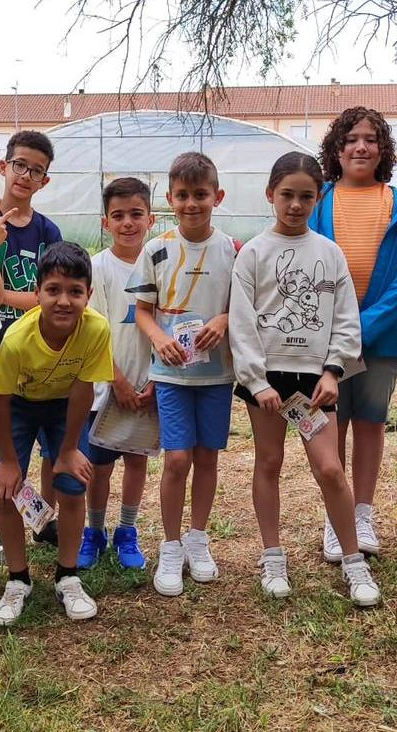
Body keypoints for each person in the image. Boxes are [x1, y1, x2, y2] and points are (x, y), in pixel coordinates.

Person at [228, 152, 379, 606]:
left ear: (318, 199)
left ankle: (354, 562)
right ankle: (272, 558)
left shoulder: (329, 253)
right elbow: (241, 323)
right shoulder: (253, 253)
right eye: (287, 195)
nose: (295, 205)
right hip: (267, 383)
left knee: (329, 468)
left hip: (314, 385)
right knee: (269, 462)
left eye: (306, 196)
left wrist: (334, 371)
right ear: (270, 194)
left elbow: (346, 319)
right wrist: (257, 382)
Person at [309, 107, 397, 565]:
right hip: (323, 337)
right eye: (351, 138)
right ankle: (334, 516)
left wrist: (357, 332)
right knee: (331, 423)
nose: (361, 147)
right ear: (336, 148)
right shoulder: (316, 201)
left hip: (380, 340)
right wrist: (338, 333)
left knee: (371, 423)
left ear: (383, 150)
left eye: (371, 139)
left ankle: (362, 515)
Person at [0, 241, 114, 625]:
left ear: (88, 295)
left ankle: (67, 575)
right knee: (7, 490)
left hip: (63, 405)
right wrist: (9, 462)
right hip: (16, 405)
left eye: (75, 291)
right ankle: (17, 579)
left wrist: (69, 449)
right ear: (37, 293)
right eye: (53, 290)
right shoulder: (16, 339)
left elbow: (83, 390)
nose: (63, 301)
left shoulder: (96, 329)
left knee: (73, 486)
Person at [127, 151, 237, 598]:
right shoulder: (156, 249)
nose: (192, 203)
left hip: (217, 375)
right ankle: (170, 545)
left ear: (218, 197)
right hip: (171, 375)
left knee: (207, 458)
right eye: (183, 195)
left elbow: (243, 306)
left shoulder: (232, 250)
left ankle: (198, 538)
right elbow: (142, 311)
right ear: (170, 198)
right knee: (176, 460)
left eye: (201, 195)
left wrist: (224, 320)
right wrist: (159, 338)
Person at [0, 131, 63, 551]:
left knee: (51, 451)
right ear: (3, 167)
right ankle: (11, 532)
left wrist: (6, 295)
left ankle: (44, 521)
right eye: (20, 165)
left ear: (45, 181)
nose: (26, 175)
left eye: (36, 170)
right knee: (6, 457)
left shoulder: (48, 231)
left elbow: (53, 299)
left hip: (42, 362)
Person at [77, 178, 157, 569]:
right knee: (100, 466)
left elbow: (166, 324)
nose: (128, 223)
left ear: (151, 219)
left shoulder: (160, 264)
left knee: (137, 462)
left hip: (148, 386)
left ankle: (127, 531)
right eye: (118, 215)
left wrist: (154, 380)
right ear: (105, 222)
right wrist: (118, 382)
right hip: (105, 389)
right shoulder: (98, 268)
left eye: (136, 214)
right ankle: (94, 532)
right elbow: (93, 333)